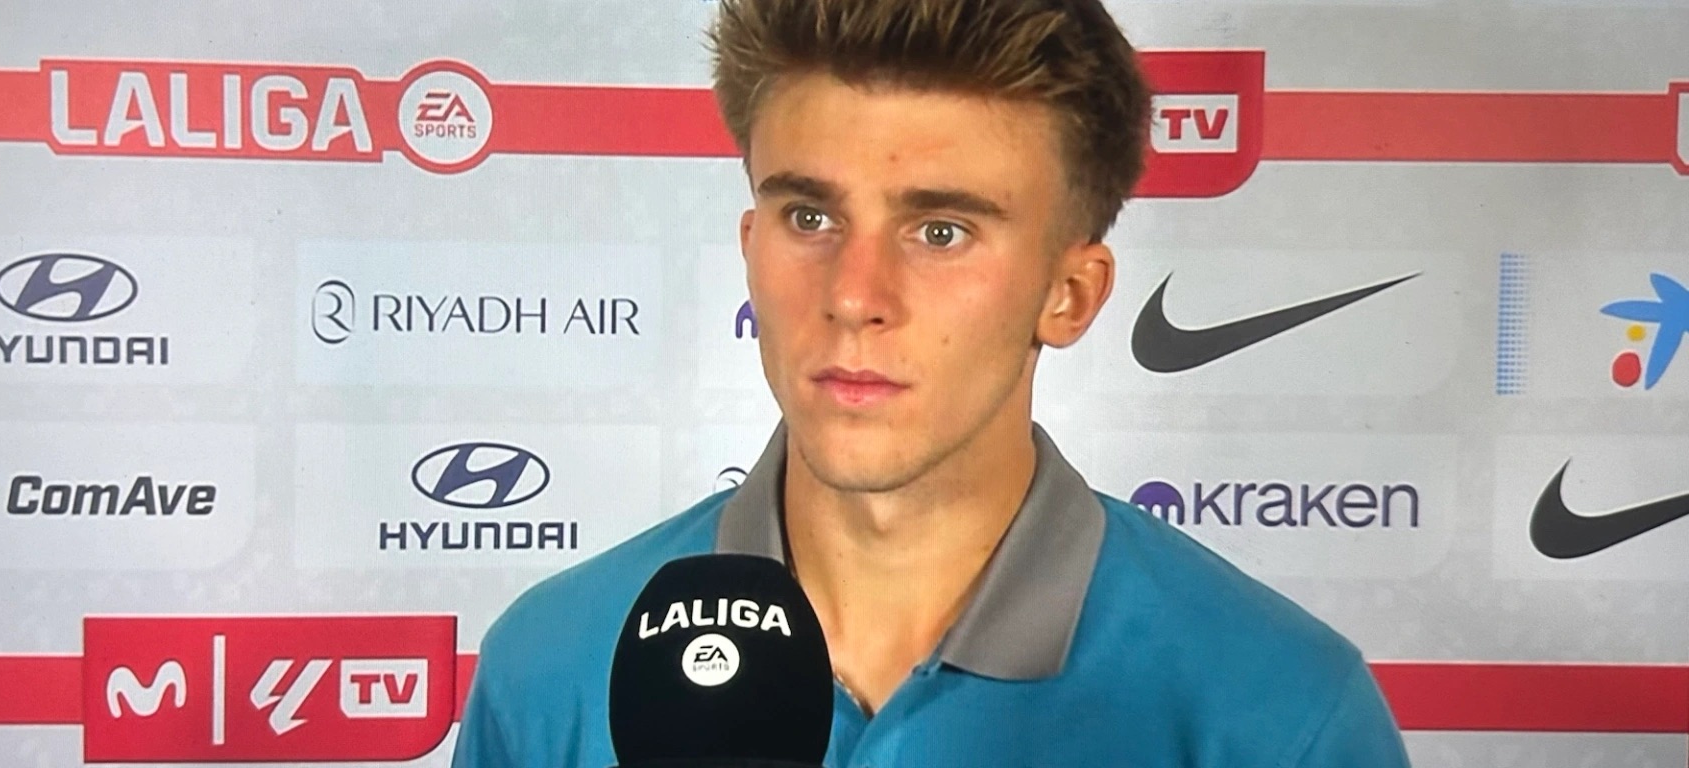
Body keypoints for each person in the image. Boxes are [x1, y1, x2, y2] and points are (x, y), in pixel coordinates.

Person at [454, 0, 1411, 764]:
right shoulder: (552, 664)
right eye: (809, 218)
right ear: (750, 247)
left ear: (1070, 295)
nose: (854, 296)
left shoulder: (1280, 711)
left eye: (941, 232)